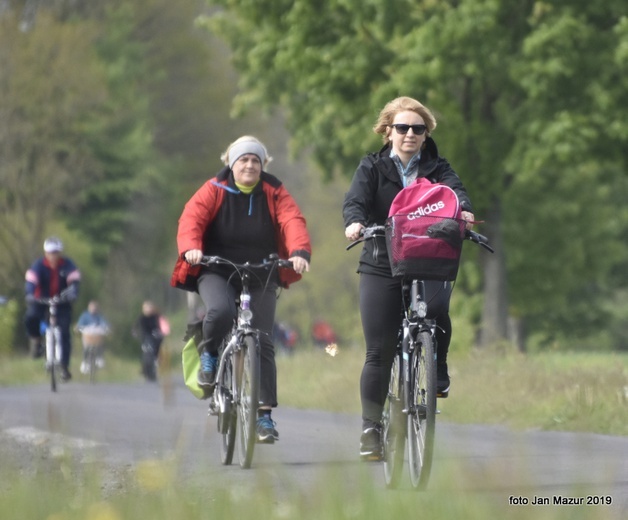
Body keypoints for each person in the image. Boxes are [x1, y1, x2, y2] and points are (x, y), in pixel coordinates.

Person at [342, 96, 474, 460]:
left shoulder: (437, 167)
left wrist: (463, 211)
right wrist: (355, 223)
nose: (411, 134)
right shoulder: (371, 167)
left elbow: (455, 193)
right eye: (403, 127)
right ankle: (371, 428)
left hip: (427, 260)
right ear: (387, 132)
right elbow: (355, 201)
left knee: (438, 310)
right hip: (381, 261)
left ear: (425, 133)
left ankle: (437, 366)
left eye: (418, 128)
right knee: (378, 351)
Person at [171, 135, 311, 443]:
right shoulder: (214, 189)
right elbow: (191, 220)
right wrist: (192, 248)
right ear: (231, 164)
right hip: (216, 268)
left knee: (262, 340)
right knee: (220, 311)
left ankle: (263, 416)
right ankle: (209, 353)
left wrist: (299, 251)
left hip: (262, 270)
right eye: (243, 160)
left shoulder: (274, 191)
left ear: (263, 165)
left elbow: (292, 220)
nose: (249, 165)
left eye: (255, 160)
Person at [24, 236, 81, 381]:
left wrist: (73, 292)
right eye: (50, 252)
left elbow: (74, 280)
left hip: (62, 302)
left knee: (64, 332)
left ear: (60, 253)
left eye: (56, 252)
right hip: (40, 300)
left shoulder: (67, 265)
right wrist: (30, 294)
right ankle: (37, 341)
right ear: (45, 253)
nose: (53, 255)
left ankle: (64, 367)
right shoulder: (38, 265)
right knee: (31, 318)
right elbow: (31, 281)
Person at [75, 300, 110, 373]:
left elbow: (104, 323)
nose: (93, 309)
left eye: (95, 308)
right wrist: (78, 328)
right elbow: (80, 324)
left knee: (101, 344)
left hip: (97, 335)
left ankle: (99, 357)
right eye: (92, 307)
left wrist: (107, 328)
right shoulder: (85, 315)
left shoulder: (99, 316)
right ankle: (84, 362)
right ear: (89, 308)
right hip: (87, 334)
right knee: (86, 347)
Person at [132, 300, 166, 371]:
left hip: (154, 335)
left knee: (159, 340)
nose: (148, 309)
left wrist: (162, 331)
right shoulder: (141, 318)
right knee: (146, 346)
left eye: (150, 308)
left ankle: (156, 357)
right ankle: (145, 365)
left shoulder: (155, 317)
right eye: (147, 308)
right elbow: (136, 326)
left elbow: (161, 325)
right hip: (145, 336)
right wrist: (134, 331)